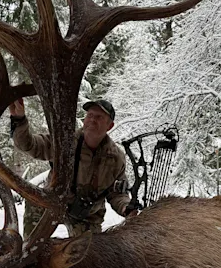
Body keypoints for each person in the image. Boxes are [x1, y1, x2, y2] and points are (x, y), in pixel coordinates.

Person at [9, 97, 138, 238]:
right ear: (84, 119)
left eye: (99, 117)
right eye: (90, 115)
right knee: (35, 203)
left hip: (87, 215)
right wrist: (19, 119)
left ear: (110, 126)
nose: (92, 120)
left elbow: (117, 193)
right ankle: (32, 251)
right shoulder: (63, 141)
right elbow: (29, 144)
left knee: (89, 255)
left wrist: (126, 208)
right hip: (54, 203)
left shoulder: (116, 158)